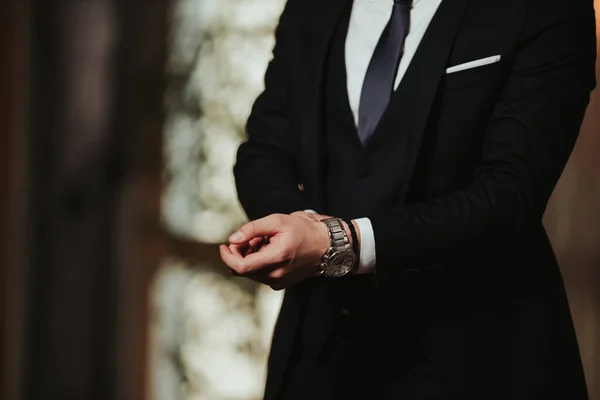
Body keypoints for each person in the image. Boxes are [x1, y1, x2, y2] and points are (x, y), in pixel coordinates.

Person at [219, 0, 597, 398]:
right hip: (317, 357)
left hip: (476, 359)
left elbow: (509, 196)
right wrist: (301, 229)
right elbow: (262, 153)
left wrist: (339, 243)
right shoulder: (311, 8)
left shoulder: (547, 9)